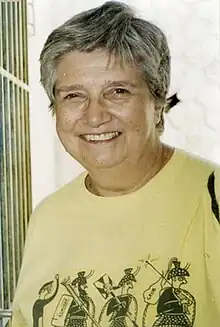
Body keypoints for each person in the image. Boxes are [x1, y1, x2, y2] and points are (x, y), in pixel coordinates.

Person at [11, 1, 220, 326]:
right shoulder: (46, 218)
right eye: (73, 96)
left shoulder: (212, 199)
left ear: (157, 102)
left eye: (118, 91)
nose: (95, 116)